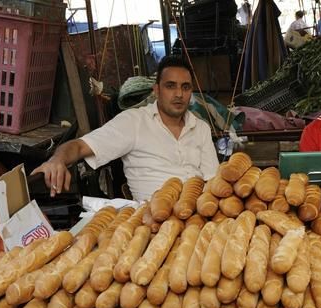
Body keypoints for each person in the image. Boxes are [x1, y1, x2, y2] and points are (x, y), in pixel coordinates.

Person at [32, 56, 219, 201]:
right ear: (156, 90)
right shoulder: (133, 122)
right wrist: (57, 160)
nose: (179, 94)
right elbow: (80, 146)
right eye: (170, 86)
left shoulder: (200, 128)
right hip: (153, 219)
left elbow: (212, 180)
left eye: (185, 87)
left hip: (199, 216)